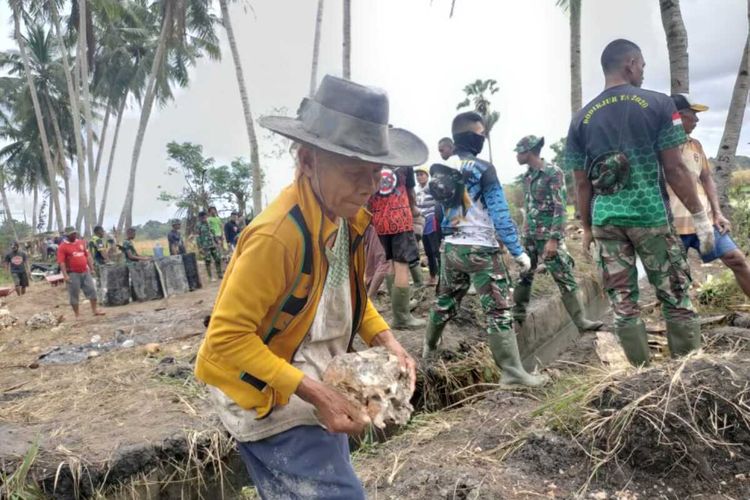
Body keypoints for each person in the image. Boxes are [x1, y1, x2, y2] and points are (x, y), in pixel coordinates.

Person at [194, 75, 421, 499]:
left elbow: (347, 298)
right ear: (307, 160)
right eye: (355, 171)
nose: (368, 186)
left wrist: (389, 341)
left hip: (315, 380)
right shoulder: (277, 237)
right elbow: (225, 338)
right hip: (269, 397)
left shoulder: (345, 218)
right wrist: (317, 394)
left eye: (376, 172)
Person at [566, 39, 713, 366]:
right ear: (630, 63)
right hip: (650, 217)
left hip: (606, 222)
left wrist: (587, 229)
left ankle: (641, 376)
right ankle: (686, 374)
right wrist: (701, 217)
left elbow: (580, 182)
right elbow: (674, 168)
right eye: (643, 65)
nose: (643, 72)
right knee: (675, 296)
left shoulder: (581, 118)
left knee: (623, 303)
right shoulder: (659, 105)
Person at [423, 111, 544, 387]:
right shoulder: (482, 168)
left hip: (452, 249)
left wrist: (448, 236)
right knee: (498, 310)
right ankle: (513, 373)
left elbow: (440, 211)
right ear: (471, 137)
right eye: (481, 133)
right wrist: (517, 251)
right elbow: (500, 213)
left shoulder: (441, 169)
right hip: (481, 250)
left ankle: (429, 350)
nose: (483, 137)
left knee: (444, 302)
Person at [513, 135, 603, 332]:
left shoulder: (553, 172)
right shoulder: (528, 176)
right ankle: (518, 315)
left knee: (564, 278)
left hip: (547, 237)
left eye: (519, 151)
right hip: (529, 235)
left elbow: (560, 208)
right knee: (524, 275)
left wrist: (553, 239)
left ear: (529, 151)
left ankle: (581, 322)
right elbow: (529, 207)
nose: (517, 156)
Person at [666, 94, 750, 298]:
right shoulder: (660, 148)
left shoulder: (696, 145)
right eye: (691, 115)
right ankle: (681, 323)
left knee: (736, 259)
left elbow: (706, 178)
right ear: (676, 116)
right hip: (671, 226)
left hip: (704, 222)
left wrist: (717, 213)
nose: (696, 120)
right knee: (676, 280)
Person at [367, 154, 425, 329]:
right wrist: (414, 210)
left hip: (378, 220)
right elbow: (410, 193)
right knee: (402, 265)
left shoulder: (370, 160)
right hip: (400, 218)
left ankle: (398, 308)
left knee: (391, 263)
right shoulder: (404, 161)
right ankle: (401, 317)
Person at [57, 227, 104, 318]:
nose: (74, 235)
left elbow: (87, 256)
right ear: (67, 235)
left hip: (85, 271)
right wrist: (65, 275)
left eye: (75, 233)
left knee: (92, 290)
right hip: (72, 273)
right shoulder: (62, 247)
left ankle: (94, 310)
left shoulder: (81, 243)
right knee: (74, 294)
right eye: (72, 234)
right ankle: (77, 315)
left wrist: (91, 268)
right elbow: (61, 262)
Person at [415, 165, 440, 285]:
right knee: (428, 251)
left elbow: (438, 200)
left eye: (421, 174)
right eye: (417, 175)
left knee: (436, 249)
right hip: (422, 221)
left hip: (432, 219)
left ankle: (443, 276)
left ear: (427, 176)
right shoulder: (416, 190)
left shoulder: (431, 187)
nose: (419, 177)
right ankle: (432, 277)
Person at [197, 211, 223, 281]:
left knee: (217, 258)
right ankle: (210, 277)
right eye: (202, 217)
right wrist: (200, 248)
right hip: (205, 246)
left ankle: (220, 274)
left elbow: (213, 233)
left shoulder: (209, 224)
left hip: (213, 245)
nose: (204, 218)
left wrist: (217, 242)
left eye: (205, 216)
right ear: (200, 218)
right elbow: (197, 237)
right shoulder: (198, 226)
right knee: (208, 261)